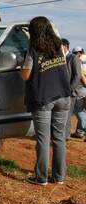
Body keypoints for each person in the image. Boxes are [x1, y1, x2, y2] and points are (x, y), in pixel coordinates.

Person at [21, 16, 71, 185]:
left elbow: (25, 75)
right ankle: (59, 177)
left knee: (43, 139)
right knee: (59, 138)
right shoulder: (60, 47)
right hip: (63, 96)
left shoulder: (33, 49)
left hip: (43, 98)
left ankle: (41, 178)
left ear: (33, 31)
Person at [61, 40, 82, 140]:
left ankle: (66, 136)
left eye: (61, 46)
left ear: (66, 46)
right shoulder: (59, 58)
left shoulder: (73, 58)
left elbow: (77, 75)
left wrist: (70, 89)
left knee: (67, 115)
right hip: (60, 92)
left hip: (70, 92)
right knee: (61, 115)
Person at [70, 46, 86, 139]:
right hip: (83, 89)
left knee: (79, 110)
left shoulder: (78, 60)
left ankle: (82, 129)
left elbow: (80, 75)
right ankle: (79, 132)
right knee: (83, 110)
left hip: (81, 88)